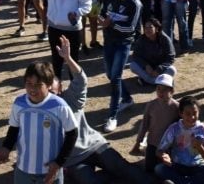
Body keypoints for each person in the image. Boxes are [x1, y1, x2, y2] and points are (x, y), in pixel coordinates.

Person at [51, 35, 147, 184]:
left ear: (60, 88)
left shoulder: (70, 98)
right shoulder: (36, 111)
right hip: (72, 160)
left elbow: (81, 79)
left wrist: (68, 59)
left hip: (93, 144)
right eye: (47, 91)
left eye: (53, 90)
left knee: (123, 168)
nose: (51, 94)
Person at [0, 61, 78, 184]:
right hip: (23, 170)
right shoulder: (19, 103)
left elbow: (72, 133)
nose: (32, 89)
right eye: (29, 83)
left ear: (49, 85)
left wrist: (58, 163)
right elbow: (14, 128)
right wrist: (6, 147)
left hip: (49, 171)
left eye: (38, 85)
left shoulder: (59, 106)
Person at [98, 0, 143, 133]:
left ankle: (112, 116)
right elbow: (101, 12)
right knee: (110, 75)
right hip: (109, 41)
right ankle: (127, 99)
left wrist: (110, 24)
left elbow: (131, 28)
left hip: (123, 43)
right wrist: (102, 20)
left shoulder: (135, 4)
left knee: (115, 77)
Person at [34, 0, 92, 81]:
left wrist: (77, 12)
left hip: (73, 31)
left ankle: (75, 88)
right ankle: (56, 91)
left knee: (73, 61)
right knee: (56, 62)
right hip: (55, 30)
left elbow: (87, 5)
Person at [154, 96, 204, 184]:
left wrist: (200, 147)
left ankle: (182, 182)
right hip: (177, 166)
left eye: (195, 113)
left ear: (199, 112)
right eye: (188, 114)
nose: (192, 117)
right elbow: (159, 150)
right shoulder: (174, 128)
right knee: (159, 169)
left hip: (197, 166)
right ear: (181, 113)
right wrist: (164, 156)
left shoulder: (203, 129)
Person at [131, 73, 180, 173]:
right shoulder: (151, 105)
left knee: (165, 169)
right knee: (149, 169)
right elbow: (144, 125)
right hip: (152, 143)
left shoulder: (177, 107)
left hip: (168, 145)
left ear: (172, 91)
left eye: (165, 89)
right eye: (158, 88)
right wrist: (138, 142)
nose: (161, 92)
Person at [129, 17, 177, 85]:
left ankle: (147, 81)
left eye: (150, 27)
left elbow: (171, 57)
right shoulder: (141, 39)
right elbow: (136, 55)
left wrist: (159, 69)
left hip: (160, 68)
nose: (147, 30)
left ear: (157, 29)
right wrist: (146, 65)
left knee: (172, 70)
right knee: (133, 65)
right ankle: (161, 82)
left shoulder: (165, 39)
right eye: (145, 27)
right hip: (147, 69)